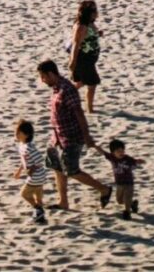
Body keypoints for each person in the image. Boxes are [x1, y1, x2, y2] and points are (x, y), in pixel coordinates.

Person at [37, 59, 113, 210]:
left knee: (72, 171)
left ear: (51, 74)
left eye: (43, 76)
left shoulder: (67, 90)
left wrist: (87, 136)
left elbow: (79, 113)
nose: (42, 80)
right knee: (57, 168)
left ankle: (104, 189)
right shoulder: (56, 88)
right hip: (57, 137)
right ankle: (63, 202)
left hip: (71, 137)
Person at [13, 119, 51, 225]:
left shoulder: (29, 148)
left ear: (27, 135)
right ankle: (40, 217)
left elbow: (39, 160)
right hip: (40, 176)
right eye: (15, 132)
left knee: (24, 194)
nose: (16, 134)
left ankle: (38, 210)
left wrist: (32, 169)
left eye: (19, 133)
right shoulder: (22, 146)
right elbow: (23, 161)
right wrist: (19, 171)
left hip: (36, 175)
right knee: (38, 197)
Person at [68, 0, 101, 113]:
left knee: (83, 82)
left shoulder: (90, 22)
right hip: (83, 59)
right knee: (92, 83)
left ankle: (65, 94)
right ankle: (90, 109)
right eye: (95, 10)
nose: (97, 12)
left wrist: (97, 34)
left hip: (89, 59)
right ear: (90, 13)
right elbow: (76, 44)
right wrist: (73, 61)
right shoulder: (81, 26)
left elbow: (89, 36)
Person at [95, 139, 142, 219]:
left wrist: (138, 161)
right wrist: (95, 146)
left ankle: (127, 212)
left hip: (128, 183)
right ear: (113, 152)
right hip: (119, 183)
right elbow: (103, 152)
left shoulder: (127, 159)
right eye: (118, 151)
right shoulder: (112, 158)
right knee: (119, 200)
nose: (121, 152)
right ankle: (132, 204)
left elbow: (134, 161)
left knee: (127, 197)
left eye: (122, 150)